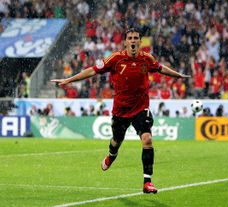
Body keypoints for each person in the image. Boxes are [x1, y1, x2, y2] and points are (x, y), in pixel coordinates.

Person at [51, 28, 190, 194]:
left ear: (140, 41)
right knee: (116, 141)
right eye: (130, 38)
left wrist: (178, 76)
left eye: (136, 38)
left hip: (140, 108)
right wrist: (69, 79)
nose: (133, 41)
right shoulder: (115, 59)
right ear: (125, 42)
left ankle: (147, 182)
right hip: (121, 110)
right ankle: (111, 155)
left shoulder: (147, 59)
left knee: (147, 140)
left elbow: (161, 68)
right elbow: (92, 70)